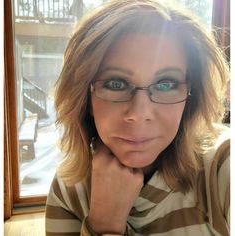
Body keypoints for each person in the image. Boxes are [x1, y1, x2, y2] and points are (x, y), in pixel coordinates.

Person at [45, 0, 230, 235]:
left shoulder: (223, 166)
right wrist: (104, 224)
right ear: (85, 97)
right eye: (116, 83)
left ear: (190, 96)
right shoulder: (68, 191)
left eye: (166, 84)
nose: (139, 115)